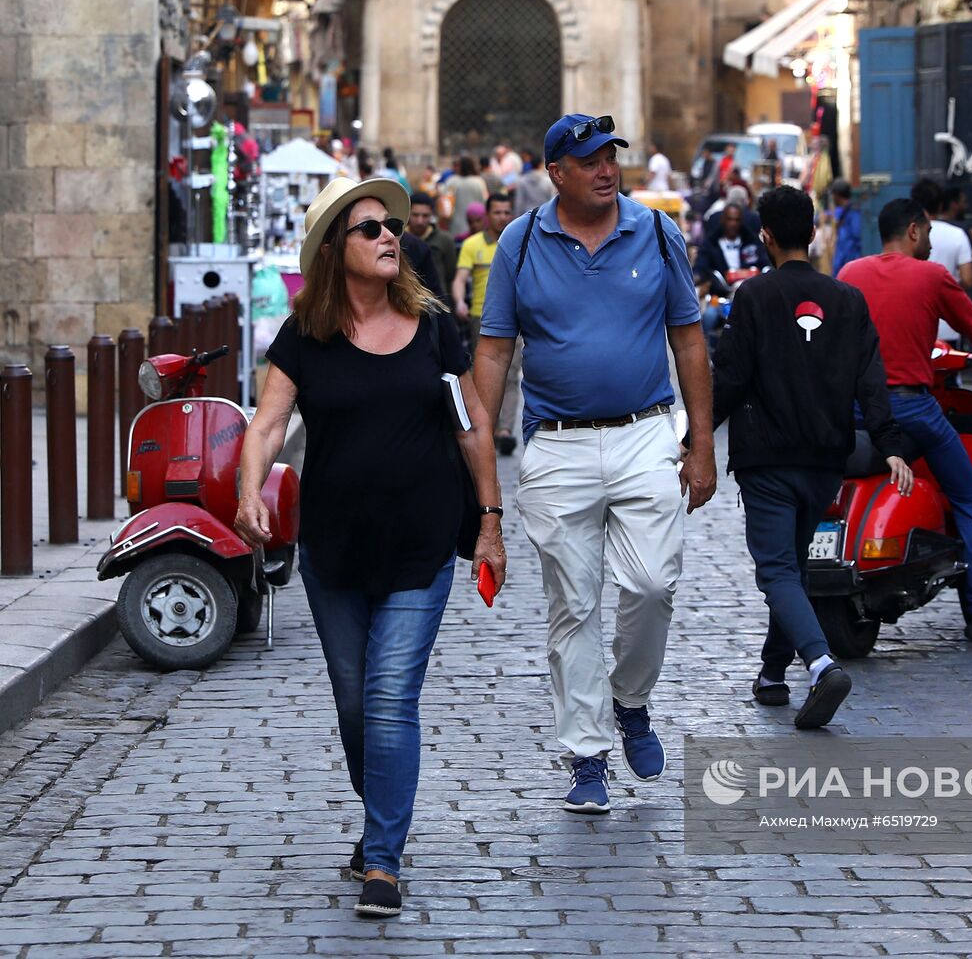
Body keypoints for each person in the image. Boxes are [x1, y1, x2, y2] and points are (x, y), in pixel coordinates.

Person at [233, 177, 505, 919]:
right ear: (334, 252)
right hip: (335, 552)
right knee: (355, 707)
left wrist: (489, 518)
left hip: (420, 547)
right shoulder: (304, 337)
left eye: (392, 225)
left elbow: (472, 423)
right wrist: (249, 490)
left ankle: (383, 858)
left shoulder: (433, 327)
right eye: (371, 229)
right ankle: (380, 809)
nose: (391, 235)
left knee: (389, 702)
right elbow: (265, 425)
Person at [473, 112, 715, 814]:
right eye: (590, 160)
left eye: (612, 156)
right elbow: (493, 351)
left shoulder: (656, 231)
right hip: (556, 444)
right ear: (556, 173)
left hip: (645, 433)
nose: (607, 169)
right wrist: (479, 448)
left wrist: (700, 445)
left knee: (651, 584)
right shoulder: (520, 243)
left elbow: (690, 341)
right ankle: (586, 755)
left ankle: (630, 700)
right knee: (573, 606)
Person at [712, 186, 913, 728]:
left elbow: (729, 378)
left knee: (776, 570)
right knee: (793, 569)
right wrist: (890, 444)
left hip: (768, 459)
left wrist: (695, 437)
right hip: (826, 461)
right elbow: (872, 378)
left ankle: (821, 664)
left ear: (765, 236)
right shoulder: (847, 300)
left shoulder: (754, 297)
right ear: (816, 232)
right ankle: (773, 672)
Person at [840, 199, 972, 649]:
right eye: (926, 234)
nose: (929, 243)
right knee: (969, 498)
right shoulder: (931, 276)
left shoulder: (849, 274)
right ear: (912, 231)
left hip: (855, 410)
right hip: (910, 407)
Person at [454, 192, 518, 455]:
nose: (502, 217)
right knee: (482, 371)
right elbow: (460, 278)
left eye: (506, 212)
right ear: (487, 215)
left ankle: (504, 430)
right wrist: (459, 301)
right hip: (482, 318)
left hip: (516, 318)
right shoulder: (472, 245)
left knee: (512, 375)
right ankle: (485, 426)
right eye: (497, 212)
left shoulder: (518, 242)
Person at [911, 178, 972, 344]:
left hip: (915, 323)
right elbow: (968, 279)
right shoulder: (957, 234)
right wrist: (946, 292)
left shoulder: (908, 235)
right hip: (949, 324)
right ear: (940, 205)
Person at [693, 202, 769, 340]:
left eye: (736, 220)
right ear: (723, 220)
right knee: (708, 318)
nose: (733, 224)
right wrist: (695, 278)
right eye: (729, 219)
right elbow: (700, 267)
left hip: (751, 296)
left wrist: (767, 270)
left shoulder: (752, 242)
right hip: (722, 298)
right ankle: (705, 356)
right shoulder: (711, 244)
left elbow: (766, 261)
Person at [407, 191, 458, 306]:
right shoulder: (398, 239)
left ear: (432, 215)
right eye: (415, 215)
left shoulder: (445, 239)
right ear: (408, 213)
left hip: (437, 302)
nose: (420, 221)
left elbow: (450, 274)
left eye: (425, 216)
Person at [441, 155, 488, 239]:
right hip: (477, 226)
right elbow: (485, 202)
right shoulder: (479, 182)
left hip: (456, 226)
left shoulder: (451, 182)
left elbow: (446, 207)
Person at [830, 178, 862, 277]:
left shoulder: (853, 213)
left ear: (838, 195)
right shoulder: (844, 212)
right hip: (842, 267)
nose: (832, 197)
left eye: (833, 194)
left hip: (849, 267)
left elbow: (855, 240)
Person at [512, 150, 556, 216]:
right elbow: (552, 199)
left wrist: (517, 217)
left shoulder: (522, 180)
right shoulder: (548, 181)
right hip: (544, 215)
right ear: (541, 164)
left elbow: (519, 202)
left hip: (527, 215)